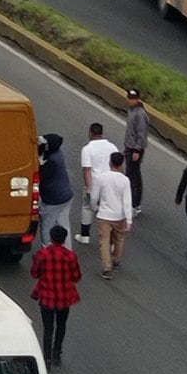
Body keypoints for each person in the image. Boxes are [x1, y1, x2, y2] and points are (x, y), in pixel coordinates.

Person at [29, 226, 81, 367]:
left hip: (47, 296)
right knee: (61, 325)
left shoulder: (42, 255)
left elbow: (35, 273)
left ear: (51, 238)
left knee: (48, 328)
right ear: (64, 239)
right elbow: (76, 277)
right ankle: (57, 352)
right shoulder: (71, 256)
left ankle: (46, 358)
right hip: (65, 297)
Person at [90, 150, 133, 277]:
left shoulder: (102, 178)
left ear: (110, 163)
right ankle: (116, 259)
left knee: (104, 240)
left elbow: (94, 196)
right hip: (118, 216)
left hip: (104, 215)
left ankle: (106, 267)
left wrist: (95, 207)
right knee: (118, 239)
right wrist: (128, 221)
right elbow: (127, 201)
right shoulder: (125, 180)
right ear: (121, 164)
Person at [76, 121, 118, 244]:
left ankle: (85, 235)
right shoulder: (112, 147)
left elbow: (87, 170)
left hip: (95, 184)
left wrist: (89, 188)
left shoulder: (87, 149)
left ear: (90, 133)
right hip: (110, 184)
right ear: (101, 133)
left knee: (87, 208)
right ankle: (110, 241)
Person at [36, 133, 73, 240]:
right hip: (66, 196)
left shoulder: (52, 161)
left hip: (53, 199)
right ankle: (66, 250)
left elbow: (42, 176)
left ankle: (46, 250)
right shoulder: (58, 154)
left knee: (47, 226)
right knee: (63, 225)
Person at [122, 87, 150, 215]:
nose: (130, 101)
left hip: (135, 149)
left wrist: (137, 150)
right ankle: (130, 202)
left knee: (134, 177)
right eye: (129, 98)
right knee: (130, 175)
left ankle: (135, 205)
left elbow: (141, 133)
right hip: (130, 147)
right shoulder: (131, 110)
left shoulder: (140, 114)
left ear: (137, 99)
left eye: (133, 99)